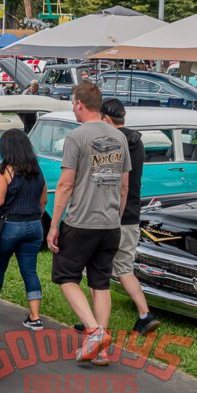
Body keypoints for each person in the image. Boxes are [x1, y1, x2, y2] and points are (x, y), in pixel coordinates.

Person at [47, 82, 130, 365]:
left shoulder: (76, 137)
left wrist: (54, 224)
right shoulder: (119, 138)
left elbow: (65, 185)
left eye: (73, 103)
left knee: (65, 275)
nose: (73, 108)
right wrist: (115, 218)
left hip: (81, 221)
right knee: (100, 282)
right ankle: (101, 348)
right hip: (110, 223)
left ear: (80, 104)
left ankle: (94, 331)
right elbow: (124, 186)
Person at [99, 99, 161, 335]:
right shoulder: (137, 141)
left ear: (105, 118)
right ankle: (145, 314)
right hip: (132, 213)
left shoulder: (111, 142)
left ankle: (96, 321)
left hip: (112, 213)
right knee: (125, 268)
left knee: (99, 267)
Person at [0, 129, 48, 330]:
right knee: (30, 271)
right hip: (35, 226)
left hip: (9, 227)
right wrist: (35, 217)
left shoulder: (5, 170)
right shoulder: (37, 169)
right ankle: (35, 317)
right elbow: (43, 199)